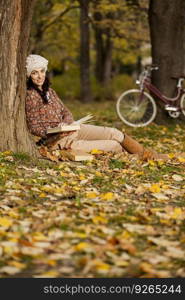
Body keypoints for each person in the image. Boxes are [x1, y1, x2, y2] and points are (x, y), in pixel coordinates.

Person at [25, 54, 168, 161]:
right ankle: (143, 158)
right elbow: (33, 126)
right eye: (34, 73)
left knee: (115, 133)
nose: (39, 76)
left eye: (41, 71)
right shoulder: (30, 95)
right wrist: (54, 131)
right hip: (59, 141)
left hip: (72, 129)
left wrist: (67, 122)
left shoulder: (50, 91)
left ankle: (149, 154)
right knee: (113, 145)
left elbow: (65, 111)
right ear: (29, 76)